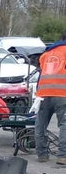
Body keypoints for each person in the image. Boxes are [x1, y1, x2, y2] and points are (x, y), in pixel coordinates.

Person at [34, 32, 66, 164]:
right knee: (64, 125)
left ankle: (42, 154)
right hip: (62, 94)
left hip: (43, 93)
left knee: (40, 125)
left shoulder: (47, 53)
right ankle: (63, 156)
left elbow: (41, 72)